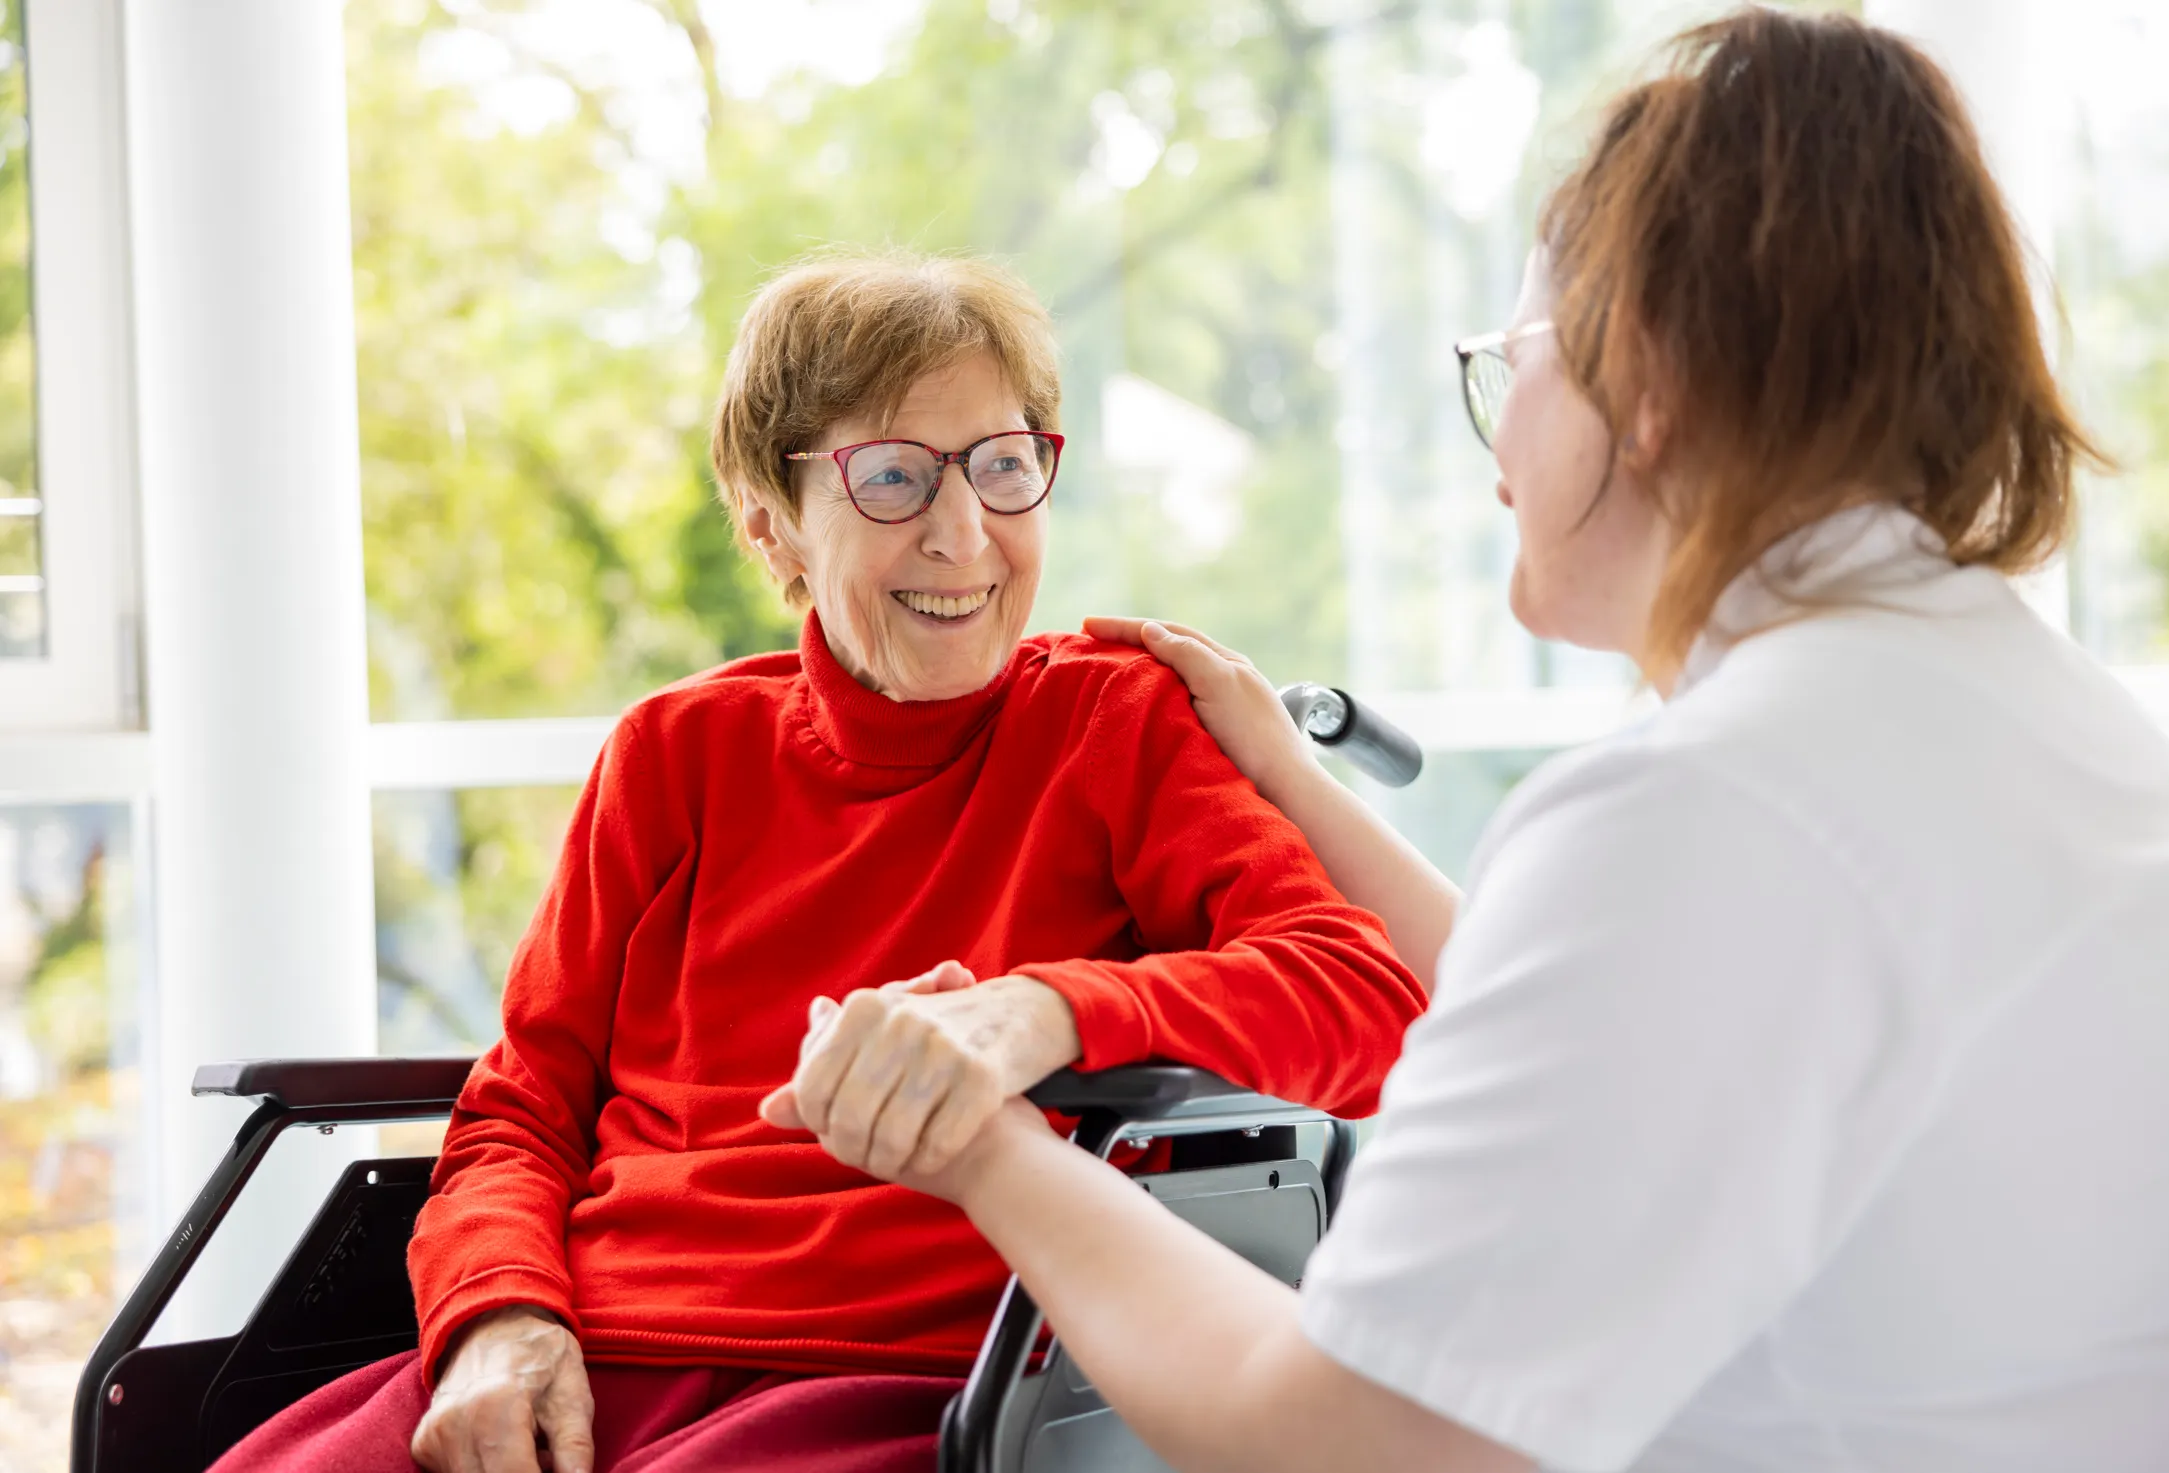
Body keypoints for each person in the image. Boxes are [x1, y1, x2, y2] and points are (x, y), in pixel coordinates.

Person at [789, 11, 2169, 1472]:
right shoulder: (2045, 729)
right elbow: (1590, 1002)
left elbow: (1339, 1439)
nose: (1495, 437)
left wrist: (980, 1142)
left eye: (1508, 359)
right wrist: (1290, 776)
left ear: (1644, 384)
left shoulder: (1711, 806)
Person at [209, 253, 1425, 1473]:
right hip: (584, 1350)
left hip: (912, 1378)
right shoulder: (674, 753)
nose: (964, 534)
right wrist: (497, 1317)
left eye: (1004, 466)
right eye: (892, 477)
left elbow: (1366, 999)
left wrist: (1046, 1011)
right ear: (771, 525)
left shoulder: (1113, 723)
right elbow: (522, 1103)